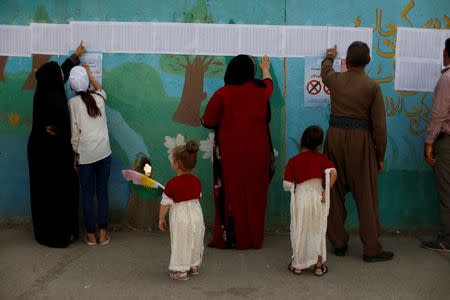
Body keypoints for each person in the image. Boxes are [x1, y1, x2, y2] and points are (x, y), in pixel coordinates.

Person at [321, 41, 394, 262]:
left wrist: (329, 56)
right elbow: (380, 126)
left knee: (333, 191)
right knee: (366, 196)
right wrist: (379, 155)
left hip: (334, 137)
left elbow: (325, 72)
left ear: (347, 61)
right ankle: (371, 249)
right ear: (369, 61)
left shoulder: (335, 79)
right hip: (361, 143)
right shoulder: (372, 87)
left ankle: (339, 242)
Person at [201, 55, 273, 250]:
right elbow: (269, 85)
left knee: (231, 194)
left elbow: (207, 121)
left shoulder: (223, 94)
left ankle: (232, 237)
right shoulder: (261, 91)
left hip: (230, 155)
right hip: (258, 153)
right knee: (255, 194)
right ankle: (253, 238)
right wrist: (265, 67)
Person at [27, 41, 85, 248]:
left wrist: (75, 56)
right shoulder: (52, 99)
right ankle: (57, 233)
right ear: (54, 79)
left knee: (57, 191)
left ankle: (63, 230)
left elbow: (61, 70)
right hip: (49, 154)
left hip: (50, 150)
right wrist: (71, 152)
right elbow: (53, 129)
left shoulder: (47, 89)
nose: (63, 75)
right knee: (54, 192)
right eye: (60, 74)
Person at [284, 126, 337, 276]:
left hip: (301, 198)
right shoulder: (322, 159)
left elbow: (287, 185)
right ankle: (319, 266)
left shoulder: (293, 161)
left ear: (302, 140)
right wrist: (326, 192)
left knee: (300, 229)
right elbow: (334, 173)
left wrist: (288, 178)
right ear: (319, 144)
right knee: (317, 230)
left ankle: (298, 265)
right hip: (317, 197)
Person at [68, 65, 111, 245]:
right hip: (104, 153)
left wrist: (75, 156)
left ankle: (91, 235)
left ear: (71, 87)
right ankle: (103, 233)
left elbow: (75, 135)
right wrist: (89, 73)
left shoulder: (72, 104)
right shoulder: (99, 98)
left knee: (87, 194)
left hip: (85, 156)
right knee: (102, 193)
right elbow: (100, 89)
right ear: (87, 84)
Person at [159, 140, 205, 281]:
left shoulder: (172, 183)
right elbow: (199, 197)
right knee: (195, 239)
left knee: (181, 242)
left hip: (181, 218)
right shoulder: (196, 181)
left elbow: (165, 203)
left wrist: (161, 218)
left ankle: (180, 270)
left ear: (177, 164)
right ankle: (193, 265)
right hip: (197, 215)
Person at [422, 37, 450, 251]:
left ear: (446, 54)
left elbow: (439, 114)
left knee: (446, 190)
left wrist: (429, 142)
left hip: (447, 142)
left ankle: (446, 239)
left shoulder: (447, 79)